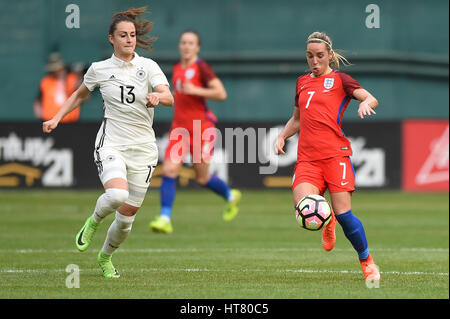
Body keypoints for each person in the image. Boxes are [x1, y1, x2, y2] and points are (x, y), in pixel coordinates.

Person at [42, 7, 173, 278]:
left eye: (133, 35)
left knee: (126, 221)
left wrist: (158, 97)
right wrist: (56, 117)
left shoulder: (148, 66)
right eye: (123, 35)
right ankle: (93, 221)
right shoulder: (99, 69)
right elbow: (79, 96)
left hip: (144, 150)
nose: (129, 39)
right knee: (116, 195)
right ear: (111, 39)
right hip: (112, 143)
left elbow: (169, 96)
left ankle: (105, 257)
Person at [274, 31, 381, 282]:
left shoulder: (341, 80)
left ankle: (367, 262)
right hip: (308, 159)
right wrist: (282, 136)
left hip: (335, 156)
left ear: (330, 55)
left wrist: (367, 103)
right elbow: (297, 119)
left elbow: (370, 97)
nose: (314, 61)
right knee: (303, 210)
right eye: (310, 56)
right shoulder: (302, 82)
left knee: (345, 215)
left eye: (320, 55)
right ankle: (327, 217)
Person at [149, 30, 241, 234]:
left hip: (201, 129)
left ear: (197, 47)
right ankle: (164, 218)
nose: (186, 46)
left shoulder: (201, 67)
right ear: (179, 46)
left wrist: (196, 90)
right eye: (183, 42)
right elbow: (180, 95)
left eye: (191, 43)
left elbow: (221, 93)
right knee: (169, 170)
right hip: (179, 130)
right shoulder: (176, 69)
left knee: (202, 178)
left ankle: (231, 196)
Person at [34, 52, 83, 123]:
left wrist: (78, 74)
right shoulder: (46, 81)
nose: (57, 71)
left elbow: (82, 93)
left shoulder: (72, 78)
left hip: (70, 121)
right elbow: (38, 101)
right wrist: (39, 119)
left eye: (59, 68)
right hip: (49, 121)